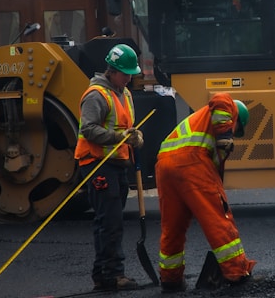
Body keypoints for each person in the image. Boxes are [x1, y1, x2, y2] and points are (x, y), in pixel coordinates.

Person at [156, 92, 256, 292]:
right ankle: (237, 273)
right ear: (236, 119)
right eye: (236, 129)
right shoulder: (229, 108)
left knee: (173, 227)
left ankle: (171, 279)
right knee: (217, 218)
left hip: (164, 165)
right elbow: (221, 98)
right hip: (191, 162)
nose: (234, 132)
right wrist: (226, 134)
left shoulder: (200, 126)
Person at [74, 44, 144, 291]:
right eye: (125, 73)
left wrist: (134, 136)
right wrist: (119, 137)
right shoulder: (96, 95)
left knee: (110, 221)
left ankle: (102, 275)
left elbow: (124, 126)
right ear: (112, 71)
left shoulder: (123, 93)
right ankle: (113, 275)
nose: (129, 77)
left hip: (116, 163)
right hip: (96, 164)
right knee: (110, 221)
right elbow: (88, 129)